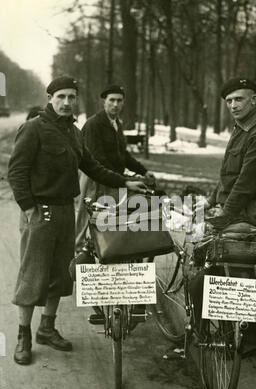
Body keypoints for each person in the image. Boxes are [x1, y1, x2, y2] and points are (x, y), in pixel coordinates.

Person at [8, 75, 146, 366]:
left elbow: (92, 166)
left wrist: (125, 182)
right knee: (33, 275)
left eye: (72, 97)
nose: (67, 102)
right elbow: (17, 172)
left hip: (64, 211)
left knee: (60, 273)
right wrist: (29, 208)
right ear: (50, 99)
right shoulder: (33, 129)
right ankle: (24, 335)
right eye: (61, 97)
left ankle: (47, 328)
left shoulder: (73, 132)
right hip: (40, 212)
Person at [197, 77, 256, 358]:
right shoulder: (240, 129)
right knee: (223, 265)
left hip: (252, 210)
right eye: (229, 101)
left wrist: (223, 215)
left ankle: (242, 338)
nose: (233, 105)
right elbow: (228, 176)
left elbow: (246, 182)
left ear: (254, 99)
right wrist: (210, 201)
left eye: (239, 99)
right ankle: (224, 329)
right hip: (234, 207)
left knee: (241, 269)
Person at [75, 84, 155, 250]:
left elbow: (123, 155)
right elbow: (97, 158)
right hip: (94, 179)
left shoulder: (116, 124)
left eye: (119, 101)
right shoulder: (94, 124)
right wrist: (123, 179)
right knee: (85, 220)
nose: (115, 104)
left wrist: (143, 171)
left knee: (109, 220)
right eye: (111, 100)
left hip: (112, 180)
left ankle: (107, 254)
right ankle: (75, 258)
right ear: (104, 102)